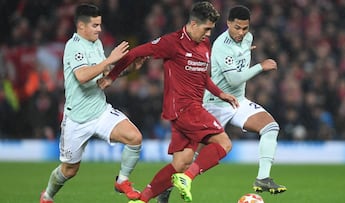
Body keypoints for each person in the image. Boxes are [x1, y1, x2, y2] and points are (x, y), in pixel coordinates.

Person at [97, 2, 239, 203]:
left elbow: (202, 76)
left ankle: (141, 200)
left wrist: (220, 93)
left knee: (181, 162)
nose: (208, 34)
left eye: (211, 30)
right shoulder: (172, 42)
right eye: (206, 29)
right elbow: (136, 53)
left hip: (189, 109)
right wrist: (112, 76)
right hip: (185, 108)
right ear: (193, 24)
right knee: (224, 143)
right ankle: (187, 178)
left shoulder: (204, 44)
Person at [156, 5, 287, 202]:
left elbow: (239, 61)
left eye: (245, 28)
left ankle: (263, 178)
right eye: (237, 28)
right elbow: (234, 80)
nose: (241, 33)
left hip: (237, 102)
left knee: (270, 127)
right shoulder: (220, 46)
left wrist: (243, 52)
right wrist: (261, 66)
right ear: (227, 24)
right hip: (214, 104)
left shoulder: (247, 39)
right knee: (186, 159)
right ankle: (165, 189)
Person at [39, 4, 145, 203]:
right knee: (69, 170)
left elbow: (104, 74)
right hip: (76, 119)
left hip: (99, 111)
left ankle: (122, 181)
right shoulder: (74, 46)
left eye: (100, 25)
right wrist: (110, 59)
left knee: (135, 138)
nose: (99, 29)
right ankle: (47, 196)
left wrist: (130, 69)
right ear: (81, 26)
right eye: (95, 25)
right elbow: (82, 76)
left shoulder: (95, 43)